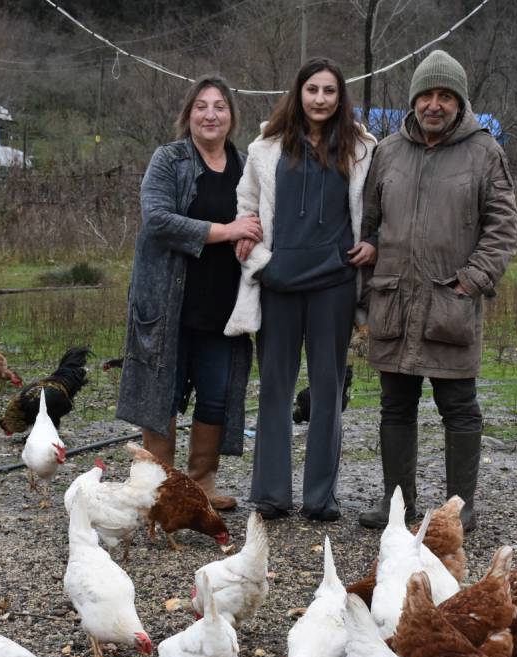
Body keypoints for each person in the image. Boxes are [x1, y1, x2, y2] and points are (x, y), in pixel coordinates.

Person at [357, 49, 517, 533]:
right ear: (413, 101)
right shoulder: (387, 151)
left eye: (445, 96)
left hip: (451, 303)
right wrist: (369, 261)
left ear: (459, 102)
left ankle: (459, 509)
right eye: (426, 95)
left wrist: (472, 279)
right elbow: (369, 224)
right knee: (395, 407)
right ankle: (397, 508)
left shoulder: (485, 152)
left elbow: (503, 229)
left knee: (459, 408)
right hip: (394, 303)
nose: (434, 104)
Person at [223, 57, 378, 521]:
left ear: (340, 97)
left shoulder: (361, 148)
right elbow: (246, 203)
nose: (320, 99)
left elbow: (374, 209)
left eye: (330, 91)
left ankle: (320, 498)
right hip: (279, 281)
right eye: (313, 90)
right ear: (299, 93)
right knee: (274, 387)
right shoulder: (267, 146)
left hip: (333, 281)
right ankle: (271, 495)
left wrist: (371, 244)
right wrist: (251, 249)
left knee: (328, 389)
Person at [117, 75, 261, 511]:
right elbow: (157, 218)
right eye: (201, 106)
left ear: (232, 116)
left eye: (220, 105)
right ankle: (160, 489)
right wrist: (227, 230)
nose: (211, 114)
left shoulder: (245, 164)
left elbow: (259, 219)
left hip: (224, 308)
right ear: (188, 114)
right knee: (164, 393)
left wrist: (251, 236)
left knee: (216, 395)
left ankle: (201, 486)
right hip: (169, 305)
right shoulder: (170, 160)